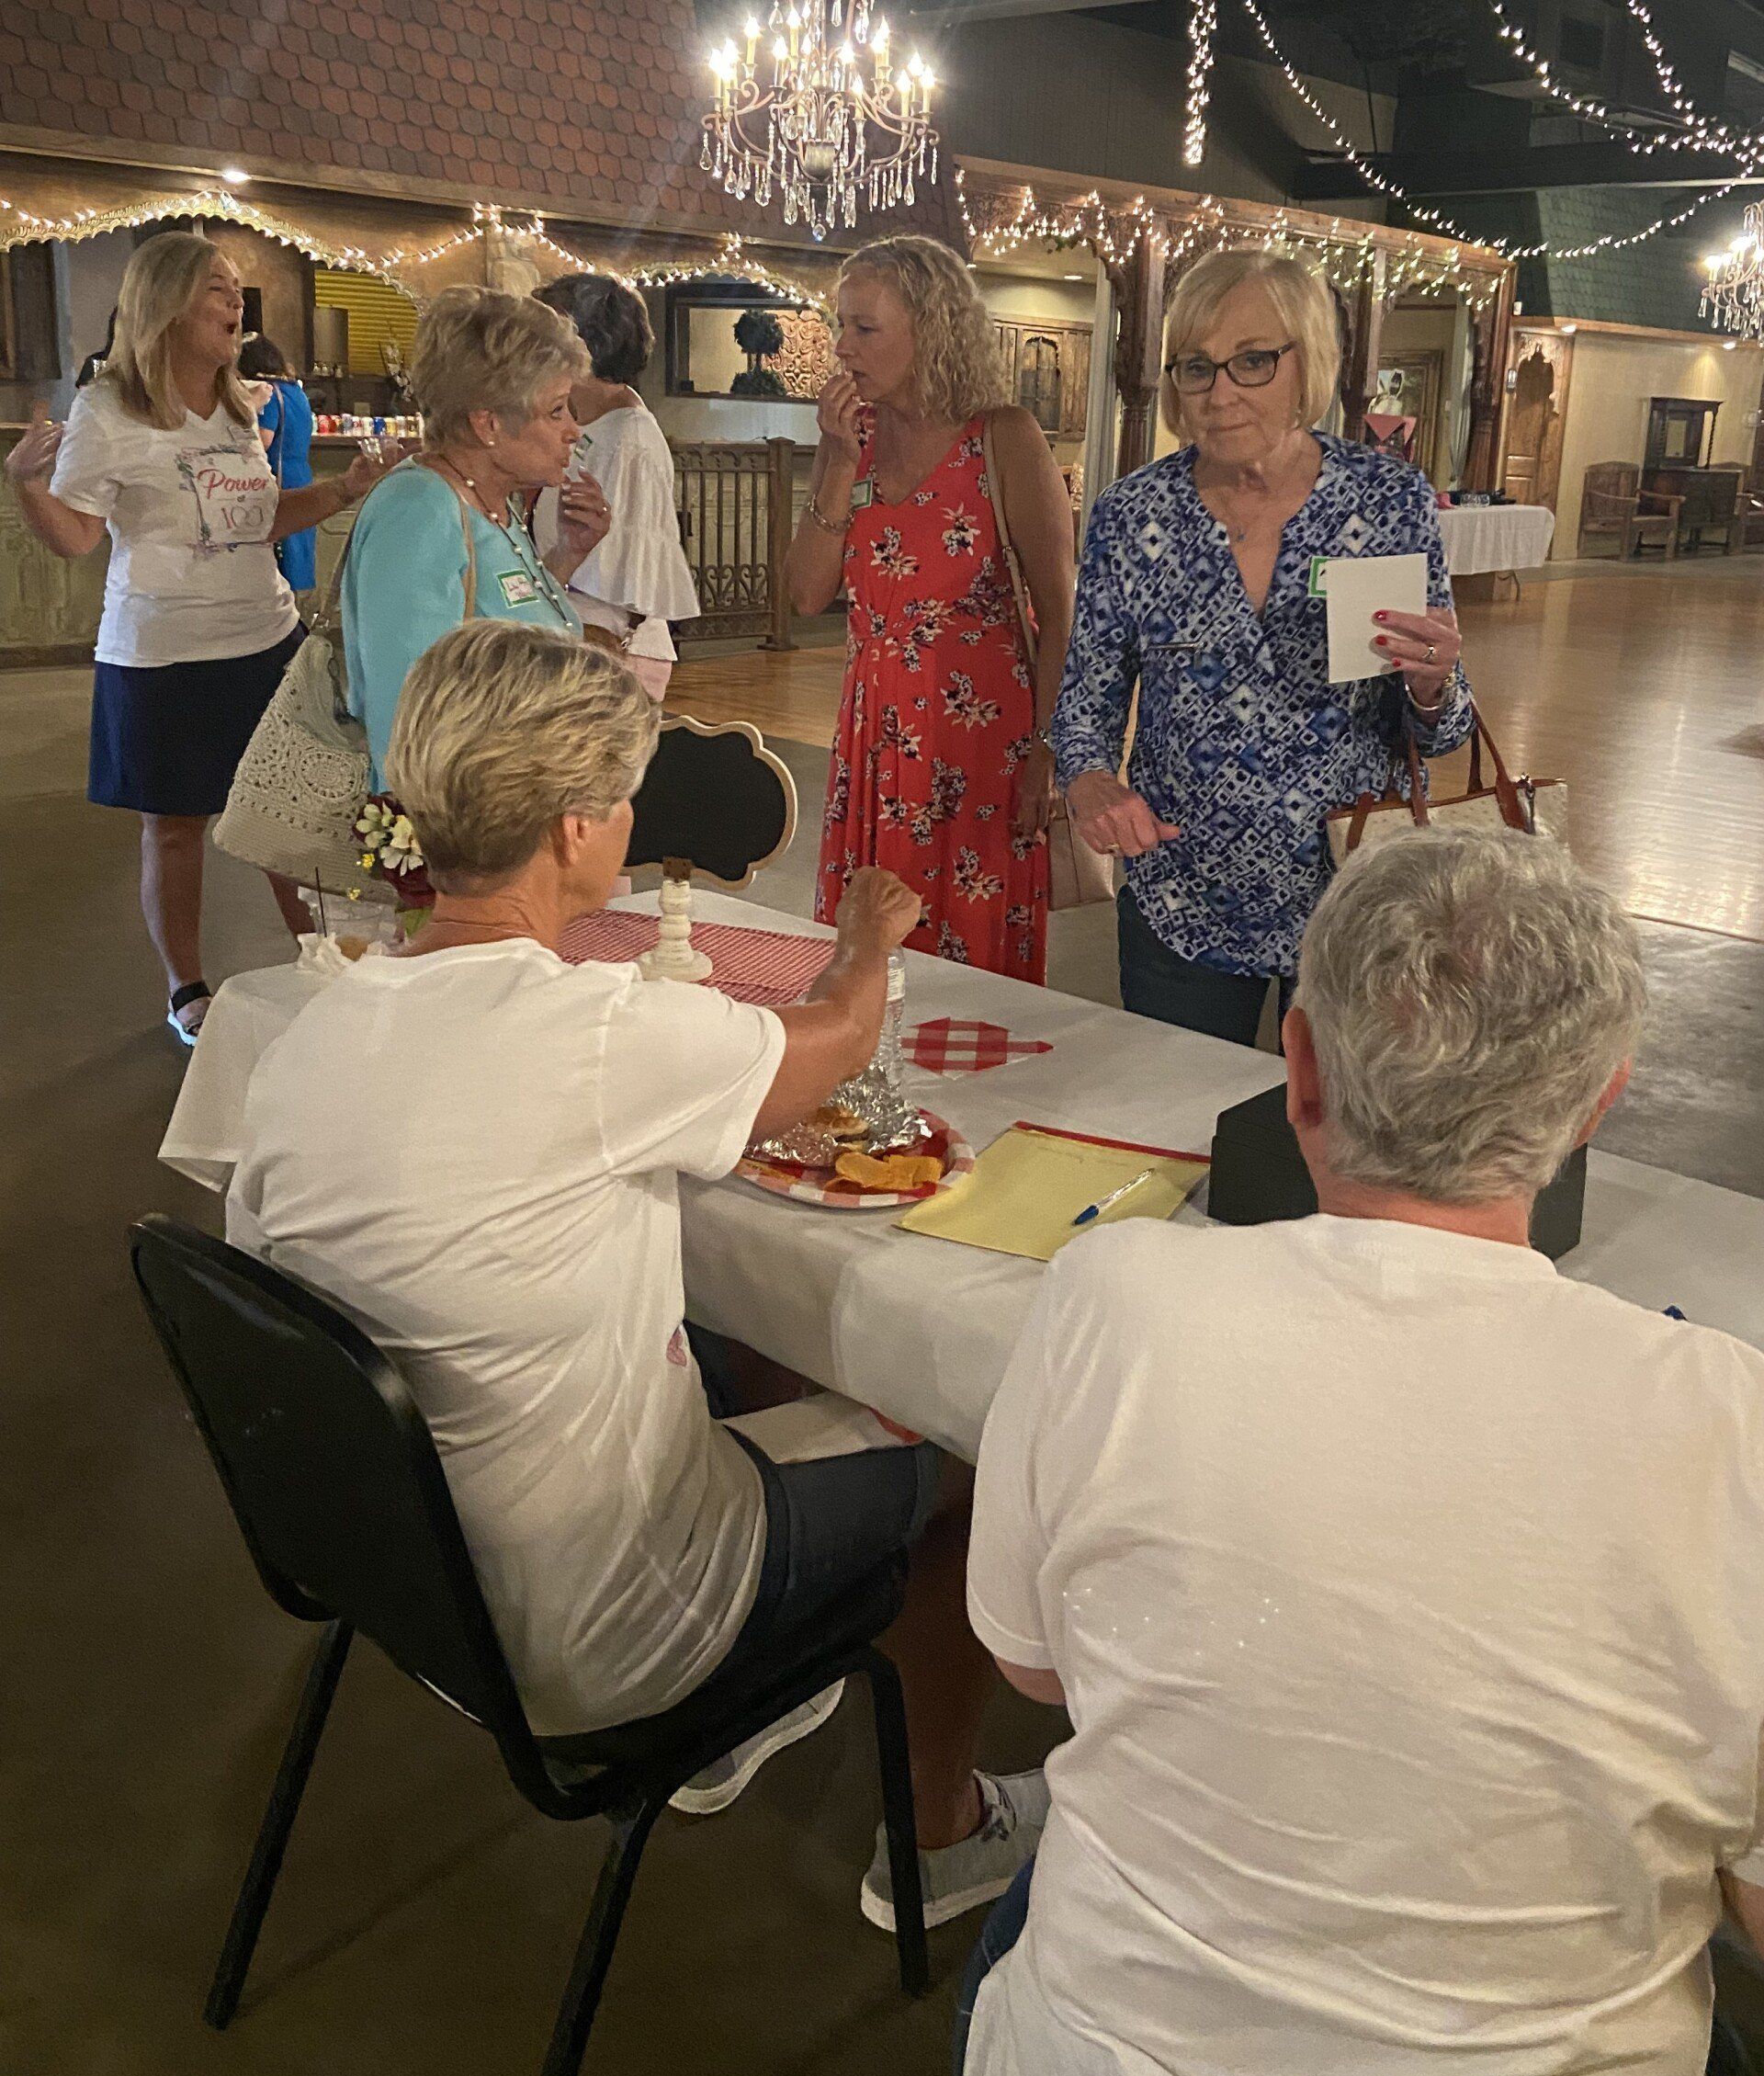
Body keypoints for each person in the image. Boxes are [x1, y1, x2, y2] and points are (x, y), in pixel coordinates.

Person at [957, 826, 1764, 2076]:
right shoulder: (1729, 1424)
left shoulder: (1114, 1294)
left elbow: (1029, 1669)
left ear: (1303, 1067)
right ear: (1599, 1103)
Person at [226, 618, 1047, 1925]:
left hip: (403, 1575)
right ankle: (938, 1832)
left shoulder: (305, 1045)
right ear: (571, 831)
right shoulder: (595, 1034)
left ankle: (762, 1690)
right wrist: (868, 944)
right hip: (598, 1627)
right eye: (618, 798)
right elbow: (828, 1047)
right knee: (972, 1450)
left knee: (731, 1335)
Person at [1054, 249, 1475, 1045]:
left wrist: (1433, 683)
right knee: (1175, 1126)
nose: (1221, 394)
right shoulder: (1133, 515)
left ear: (1306, 360)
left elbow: (1442, 732)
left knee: (1340, 1142)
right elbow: (1085, 705)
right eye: (1196, 367)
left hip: (1353, 890)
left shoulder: (1385, 500)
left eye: (1253, 361)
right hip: (1181, 888)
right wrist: (1089, 783)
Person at [3, 233, 391, 1044]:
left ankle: (322, 960)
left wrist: (341, 489)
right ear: (167, 303)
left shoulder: (242, 406)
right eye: (218, 289)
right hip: (162, 652)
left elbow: (256, 522)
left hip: (264, 636)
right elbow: (76, 538)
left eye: (238, 291)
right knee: (176, 828)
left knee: (290, 810)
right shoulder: (108, 411)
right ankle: (187, 989)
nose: (236, 304)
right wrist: (29, 485)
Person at [786, 235, 1075, 983]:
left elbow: (1059, 608)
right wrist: (839, 463)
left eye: (865, 328)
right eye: (840, 327)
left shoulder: (1002, 437)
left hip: (980, 743)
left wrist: (1047, 752)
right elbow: (805, 595)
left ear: (932, 328)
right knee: (868, 958)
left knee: (972, 953)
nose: (843, 349)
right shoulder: (849, 438)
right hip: (872, 737)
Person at [341, 285, 613, 784]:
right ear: (487, 423)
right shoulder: (420, 510)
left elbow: (498, 621)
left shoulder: (491, 503)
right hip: (463, 828)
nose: (574, 430)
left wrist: (567, 554)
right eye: (556, 411)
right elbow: (407, 713)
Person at [528, 274, 699, 702]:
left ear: (581, 345)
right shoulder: (580, 416)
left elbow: (633, 585)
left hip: (608, 654)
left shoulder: (631, 442)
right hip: (571, 636)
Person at [239, 334, 318, 597]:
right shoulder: (296, 390)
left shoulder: (267, 392)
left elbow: (263, 440)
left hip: (277, 482)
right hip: (301, 476)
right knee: (298, 562)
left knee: (278, 566)